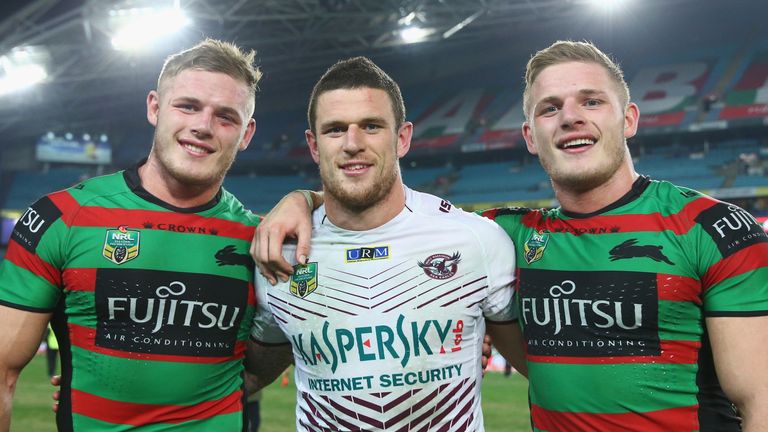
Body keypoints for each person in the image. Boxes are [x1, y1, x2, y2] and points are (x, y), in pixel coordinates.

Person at [252, 41, 768, 432]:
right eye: (549, 108)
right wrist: (303, 199)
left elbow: (758, 399)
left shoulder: (714, 229)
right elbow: (379, 204)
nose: (570, 117)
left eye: (591, 101)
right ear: (529, 135)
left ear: (629, 119)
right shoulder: (502, 234)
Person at [0, 39, 266, 431]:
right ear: (155, 107)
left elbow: (269, 360)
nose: (202, 126)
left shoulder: (261, 239)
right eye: (188, 106)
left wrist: (305, 198)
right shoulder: (61, 217)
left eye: (226, 117)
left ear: (246, 134)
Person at [248, 56, 526, 431]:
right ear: (313, 145)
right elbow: (245, 376)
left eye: (371, 126)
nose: (352, 143)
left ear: (402, 138)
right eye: (334, 130)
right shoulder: (278, 254)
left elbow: (548, 374)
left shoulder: (475, 240)